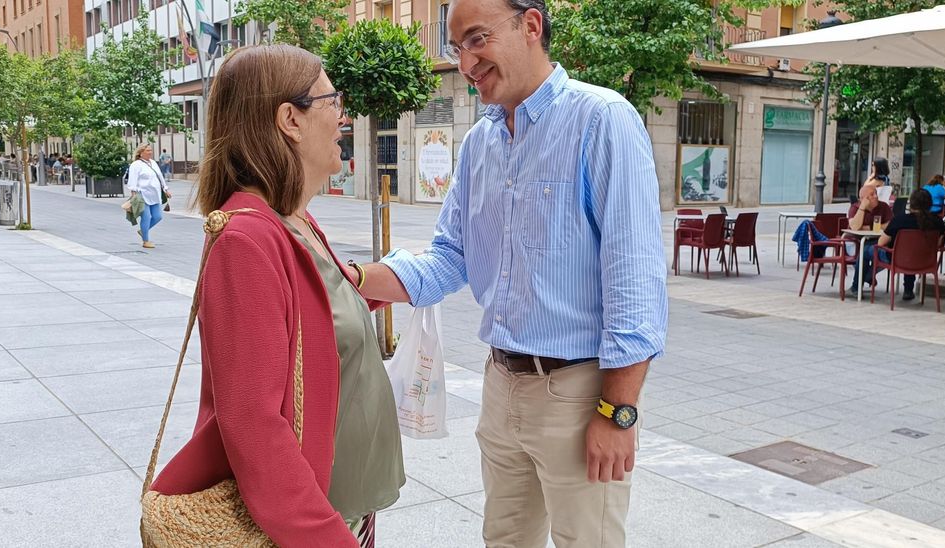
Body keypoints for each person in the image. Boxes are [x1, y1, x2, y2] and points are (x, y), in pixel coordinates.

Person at [346, 1, 667, 545]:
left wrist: (618, 413)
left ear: (531, 25)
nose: (466, 62)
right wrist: (349, 277)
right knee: (505, 539)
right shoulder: (480, 143)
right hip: (501, 385)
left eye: (476, 39)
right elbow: (449, 258)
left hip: (579, 391)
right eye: (456, 47)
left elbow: (633, 279)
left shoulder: (601, 120)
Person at [149, 44, 403, 547]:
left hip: (347, 507)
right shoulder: (247, 239)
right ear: (290, 118)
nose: (343, 116)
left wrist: (424, 276)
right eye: (333, 101)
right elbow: (255, 429)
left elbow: (323, 309)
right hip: (315, 525)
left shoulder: (294, 218)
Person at [859, 188, 945, 302]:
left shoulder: (900, 220)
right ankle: (908, 290)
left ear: (911, 204)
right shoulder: (938, 222)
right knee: (912, 252)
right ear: (929, 204)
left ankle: (857, 285)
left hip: (898, 259)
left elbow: (881, 243)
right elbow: (939, 243)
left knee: (866, 250)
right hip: (926, 261)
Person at [125, 144, 170, 248]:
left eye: (151, 150)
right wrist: (134, 194)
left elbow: (160, 176)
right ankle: (146, 241)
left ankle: (143, 230)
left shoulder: (153, 163)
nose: (150, 152)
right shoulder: (136, 165)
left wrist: (165, 189)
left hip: (155, 195)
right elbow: (132, 180)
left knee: (158, 216)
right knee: (146, 217)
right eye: (147, 150)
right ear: (141, 153)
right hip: (142, 195)